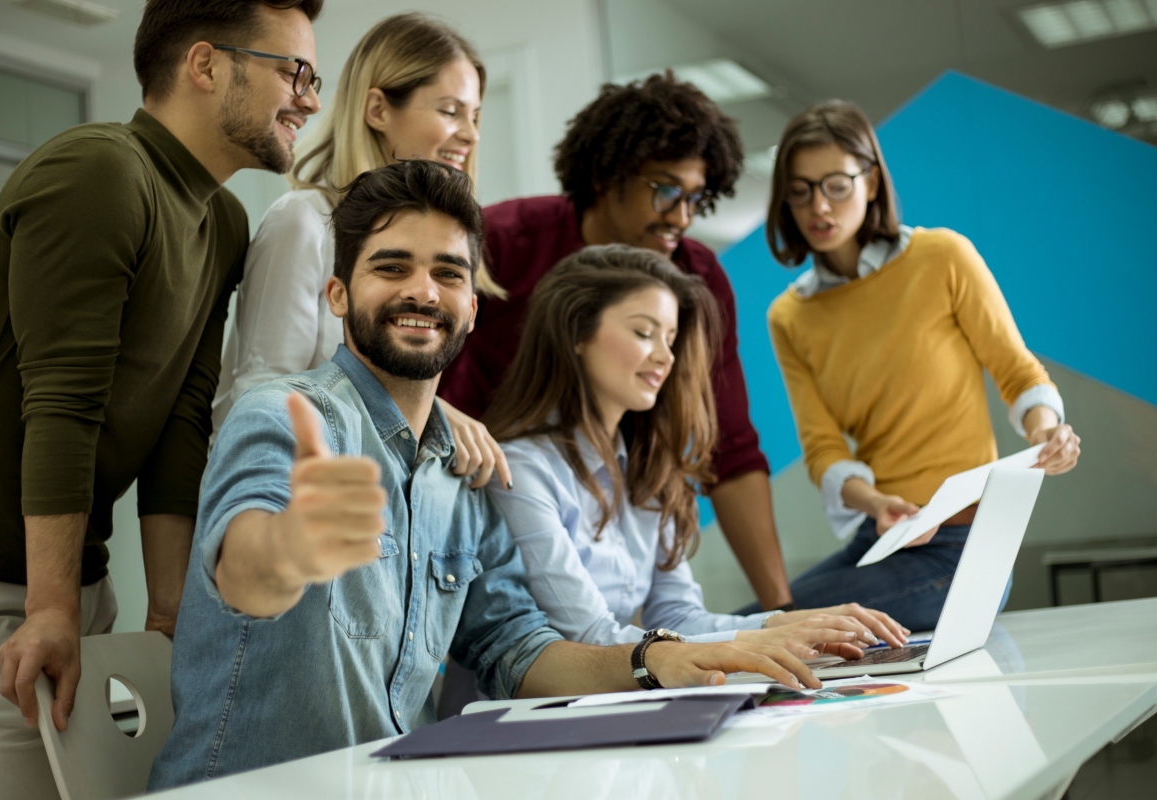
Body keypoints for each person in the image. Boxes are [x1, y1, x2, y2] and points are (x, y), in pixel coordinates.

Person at [148, 160, 822, 790]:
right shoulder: (284, 418)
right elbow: (242, 570)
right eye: (391, 267)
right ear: (337, 293)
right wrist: (291, 549)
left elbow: (516, 648)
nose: (422, 290)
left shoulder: (463, 471)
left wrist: (654, 660)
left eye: (447, 272)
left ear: (473, 304)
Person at [0, 1, 323, 797]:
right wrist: (50, 610)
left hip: (71, 588)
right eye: (293, 71)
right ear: (205, 64)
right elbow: (59, 402)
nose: (310, 97)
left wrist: (168, 617)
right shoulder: (100, 168)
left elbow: (178, 428)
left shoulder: (223, 221)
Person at [439, 72, 794, 610]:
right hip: (479, 496)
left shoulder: (697, 277)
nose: (681, 217)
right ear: (608, 174)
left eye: (696, 198)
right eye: (666, 190)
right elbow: (414, 380)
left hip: (610, 493)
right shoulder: (503, 242)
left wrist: (779, 610)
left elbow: (732, 447)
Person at [745, 100, 1081, 630]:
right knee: (744, 625)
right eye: (800, 189)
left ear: (872, 182)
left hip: (965, 549)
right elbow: (824, 451)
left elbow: (1017, 372)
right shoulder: (789, 316)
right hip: (882, 535)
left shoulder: (943, 256)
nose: (818, 206)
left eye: (836, 184)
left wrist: (1048, 432)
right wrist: (877, 503)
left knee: (759, 628)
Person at [482, 245, 908, 658]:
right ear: (576, 332)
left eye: (670, 339)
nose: (665, 357)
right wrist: (765, 639)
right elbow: (591, 640)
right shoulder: (522, 470)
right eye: (644, 332)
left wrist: (784, 625)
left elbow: (678, 616)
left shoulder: (647, 469)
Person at [213, 12, 509, 489]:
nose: (471, 134)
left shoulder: (455, 247)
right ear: (377, 109)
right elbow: (261, 394)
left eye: (474, 116)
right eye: (451, 111)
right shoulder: (302, 221)